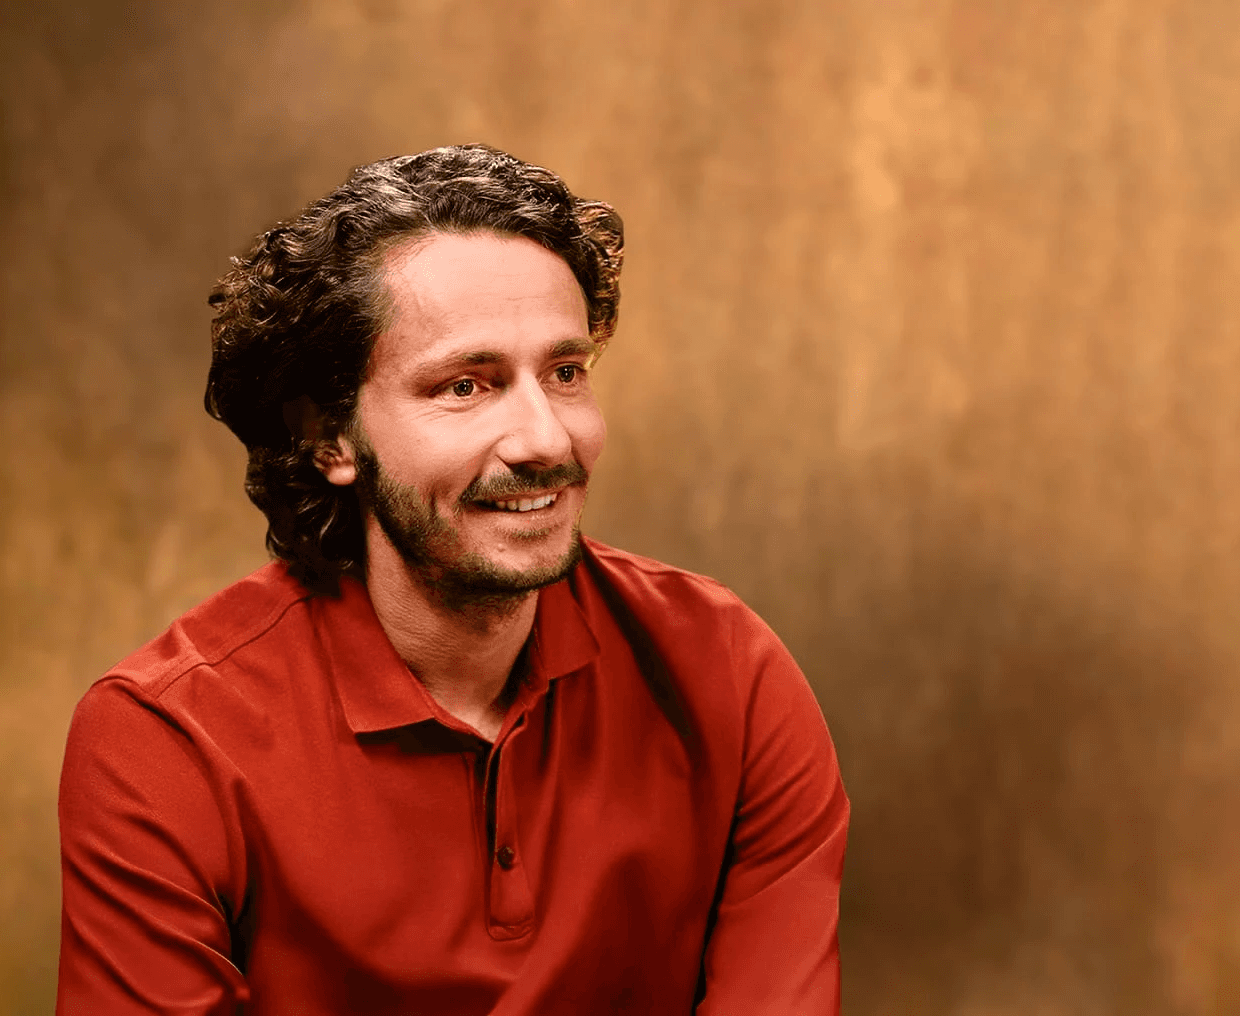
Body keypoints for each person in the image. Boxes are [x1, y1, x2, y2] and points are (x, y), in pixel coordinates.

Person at [56, 143, 849, 1015]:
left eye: (565, 373)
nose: (546, 440)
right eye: (466, 386)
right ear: (330, 437)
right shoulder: (164, 740)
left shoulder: (728, 674)